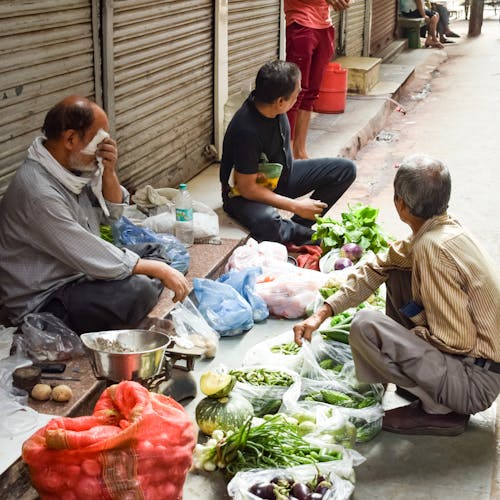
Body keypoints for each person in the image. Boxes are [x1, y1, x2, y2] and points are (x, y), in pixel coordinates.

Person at [293, 154, 500, 436]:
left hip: (474, 382)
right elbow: (378, 266)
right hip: (474, 368)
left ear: (400, 204)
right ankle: (425, 389)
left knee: (365, 326)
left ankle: (439, 409)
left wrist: (400, 343)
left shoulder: (432, 249)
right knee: (396, 271)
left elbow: (456, 339)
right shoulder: (441, 230)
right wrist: (323, 312)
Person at [0, 96, 189, 334]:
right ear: (70, 139)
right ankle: (137, 299)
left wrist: (108, 171)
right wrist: (159, 271)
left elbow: (112, 213)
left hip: (78, 271)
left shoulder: (68, 167)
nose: (105, 146)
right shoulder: (38, 191)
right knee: (138, 288)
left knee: (155, 251)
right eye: (99, 139)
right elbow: (86, 250)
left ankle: (137, 295)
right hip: (48, 301)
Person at [220, 60, 356, 246]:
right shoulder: (246, 130)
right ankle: (302, 234)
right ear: (281, 101)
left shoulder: (273, 108)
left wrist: (297, 207)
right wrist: (296, 206)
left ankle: (296, 228)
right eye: (296, 92)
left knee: (345, 170)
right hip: (242, 195)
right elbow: (247, 188)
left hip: (278, 178)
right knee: (267, 221)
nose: (299, 94)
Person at [284, 0, 351, 159]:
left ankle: (300, 151)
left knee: (311, 93)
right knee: (295, 92)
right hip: (301, 23)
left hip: (325, 26)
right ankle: (287, 153)